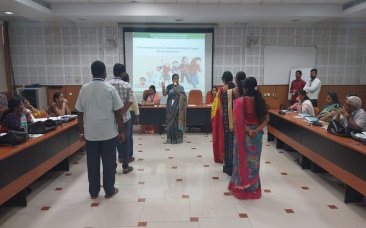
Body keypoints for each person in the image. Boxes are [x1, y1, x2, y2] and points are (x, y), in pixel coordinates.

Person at [75, 60, 123, 200]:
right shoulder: (109, 88)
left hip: (90, 134)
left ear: (91, 72)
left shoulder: (84, 89)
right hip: (108, 133)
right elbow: (118, 112)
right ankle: (109, 190)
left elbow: (80, 113)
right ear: (105, 73)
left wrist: (81, 132)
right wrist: (121, 131)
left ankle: (94, 192)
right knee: (108, 163)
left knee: (92, 164)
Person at [228, 77, 269, 199]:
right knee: (254, 163)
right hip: (257, 137)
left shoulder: (240, 101)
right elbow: (266, 119)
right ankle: (253, 189)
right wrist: (256, 130)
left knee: (240, 161)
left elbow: (238, 121)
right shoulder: (261, 100)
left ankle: (240, 188)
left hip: (244, 135)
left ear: (245, 88)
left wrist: (249, 131)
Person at [108, 63, 134, 173]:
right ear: (123, 73)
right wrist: (122, 112)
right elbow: (130, 101)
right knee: (126, 141)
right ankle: (125, 166)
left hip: (110, 117)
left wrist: (115, 113)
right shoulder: (127, 85)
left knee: (112, 142)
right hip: (125, 118)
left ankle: (113, 167)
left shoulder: (107, 85)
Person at [222, 71, 246, 176]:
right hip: (245, 124)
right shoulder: (249, 93)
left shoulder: (227, 93)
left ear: (236, 80)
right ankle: (241, 168)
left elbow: (224, 110)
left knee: (229, 144)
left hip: (230, 123)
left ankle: (229, 168)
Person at [211, 71, 235, 163]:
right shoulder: (234, 88)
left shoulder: (222, 89)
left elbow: (217, 105)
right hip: (233, 115)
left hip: (223, 117)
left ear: (223, 79)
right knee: (231, 136)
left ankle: (222, 157)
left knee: (221, 136)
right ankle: (232, 156)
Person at [161, 74, 187, 144]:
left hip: (178, 107)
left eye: (177, 78)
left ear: (178, 79)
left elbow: (184, 97)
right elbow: (164, 94)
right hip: (170, 107)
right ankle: (170, 139)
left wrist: (177, 91)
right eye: (174, 78)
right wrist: (163, 88)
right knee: (170, 122)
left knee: (177, 122)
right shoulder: (169, 86)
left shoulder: (181, 87)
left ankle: (178, 139)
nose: (176, 80)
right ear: (172, 79)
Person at [121, 73, 139, 163]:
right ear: (128, 80)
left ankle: (120, 156)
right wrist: (137, 115)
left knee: (119, 135)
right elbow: (134, 102)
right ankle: (128, 156)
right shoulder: (129, 88)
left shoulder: (114, 88)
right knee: (128, 137)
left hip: (117, 114)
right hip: (129, 113)